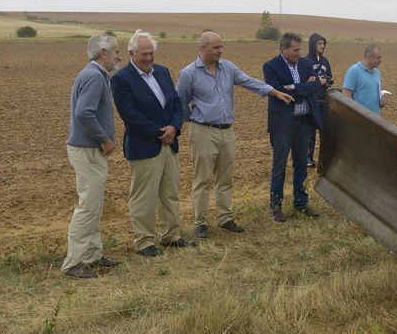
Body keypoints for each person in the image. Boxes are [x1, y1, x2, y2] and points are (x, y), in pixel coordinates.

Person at [176, 31, 293, 238]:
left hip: (227, 131)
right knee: (202, 179)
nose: (221, 50)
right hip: (203, 131)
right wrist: (193, 122)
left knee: (225, 178)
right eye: (216, 47)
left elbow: (249, 81)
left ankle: (225, 218)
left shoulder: (228, 68)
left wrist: (273, 92)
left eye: (222, 46)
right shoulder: (188, 73)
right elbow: (180, 102)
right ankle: (201, 222)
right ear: (202, 48)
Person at [111, 30, 196, 257]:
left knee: (170, 193)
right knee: (144, 197)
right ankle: (144, 242)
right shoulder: (121, 79)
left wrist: (174, 127)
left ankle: (171, 236)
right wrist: (160, 133)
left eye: (151, 53)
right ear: (131, 53)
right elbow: (130, 114)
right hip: (144, 147)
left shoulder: (162, 71)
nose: (148, 58)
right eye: (143, 54)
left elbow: (176, 102)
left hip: (169, 144)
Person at [62, 33, 121, 278]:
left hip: (88, 148)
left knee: (95, 203)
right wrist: (104, 139)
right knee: (88, 205)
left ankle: (92, 255)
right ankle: (73, 263)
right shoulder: (94, 76)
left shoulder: (96, 74)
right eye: (116, 51)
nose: (119, 56)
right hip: (88, 149)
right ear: (103, 52)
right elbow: (84, 113)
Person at [263, 32, 323, 222]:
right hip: (282, 125)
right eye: (295, 50)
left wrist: (294, 87)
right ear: (284, 49)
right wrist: (304, 87)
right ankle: (276, 206)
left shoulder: (305, 64)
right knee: (279, 166)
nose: (299, 53)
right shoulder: (271, 66)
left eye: (300, 49)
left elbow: (316, 86)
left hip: (303, 123)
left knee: (301, 165)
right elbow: (278, 91)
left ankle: (301, 202)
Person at [304, 32, 332, 167]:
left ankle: (324, 158)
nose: (322, 46)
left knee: (324, 130)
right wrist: (317, 81)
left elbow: (330, 77)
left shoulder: (325, 61)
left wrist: (327, 82)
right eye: (319, 43)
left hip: (323, 99)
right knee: (310, 131)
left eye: (323, 44)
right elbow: (304, 81)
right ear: (312, 44)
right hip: (311, 99)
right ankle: (307, 157)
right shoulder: (305, 61)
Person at [342, 44, 386, 114]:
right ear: (369, 57)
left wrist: (381, 100)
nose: (381, 60)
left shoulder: (377, 72)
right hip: (359, 118)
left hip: (375, 118)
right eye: (378, 58)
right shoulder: (354, 71)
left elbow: (376, 92)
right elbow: (346, 97)